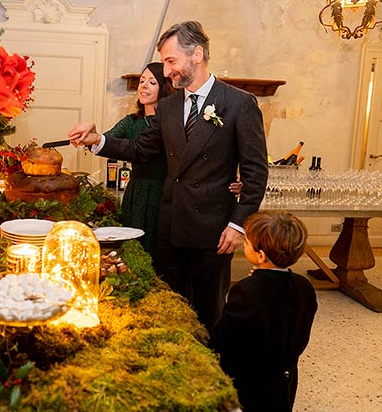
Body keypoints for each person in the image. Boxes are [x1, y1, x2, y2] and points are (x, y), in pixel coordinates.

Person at [68, 21, 268, 336]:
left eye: (171, 61)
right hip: (170, 224)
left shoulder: (239, 104)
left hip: (213, 231)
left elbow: (256, 173)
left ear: (197, 54)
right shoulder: (170, 105)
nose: (167, 70)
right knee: (168, 304)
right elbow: (139, 148)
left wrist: (238, 224)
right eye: (165, 62)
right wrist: (96, 140)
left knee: (206, 313)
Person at [211, 210, 318, 412]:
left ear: (260, 255)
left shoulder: (246, 291)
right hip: (286, 376)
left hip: (251, 381)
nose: (244, 245)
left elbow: (225, 339)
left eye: (246, 243)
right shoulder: (304, 286)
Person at [105, 62, 174, 256]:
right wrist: (91, 137)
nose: (143, 86)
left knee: (159, 248)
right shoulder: (131, 121)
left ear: (164, 88)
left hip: (163, 193)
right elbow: (108, 140)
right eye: (142, 81)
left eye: (152, 82)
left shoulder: (172, 122)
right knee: (133, 246)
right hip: (136, 191)